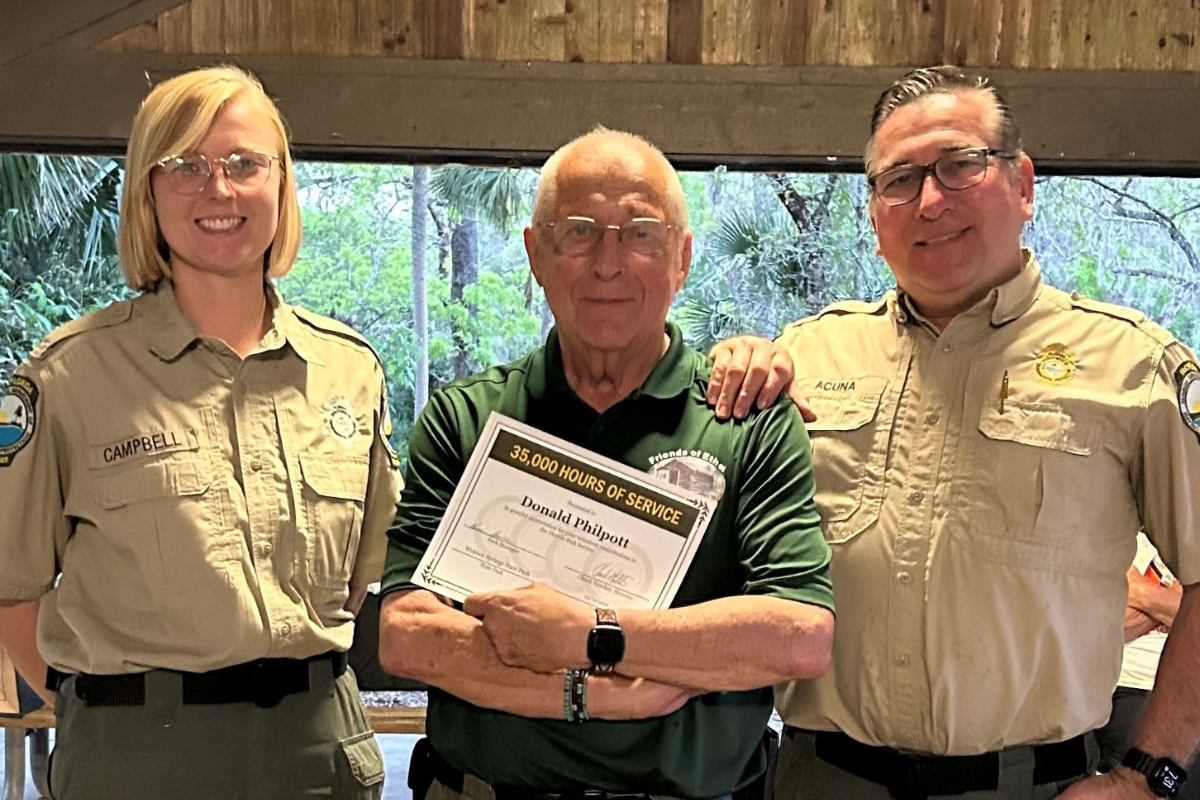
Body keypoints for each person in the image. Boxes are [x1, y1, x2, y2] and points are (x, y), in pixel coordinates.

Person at [709, 66, 1200, 800]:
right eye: (899, 179)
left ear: (1024, 183)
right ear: (875, 215)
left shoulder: (1133, 367)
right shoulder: (806, 358)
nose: (930, 200)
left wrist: (1148, 775)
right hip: (820, 779)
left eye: (960, 165)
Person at [377, 128, 836, 800]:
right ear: (536, 253)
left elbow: (797, 636)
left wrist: (595, 637)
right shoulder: (467, 418)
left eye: (641, 232)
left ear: (682, 258)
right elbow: (407, 636)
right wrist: (597, 692)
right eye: (580, 231)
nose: (609, 262)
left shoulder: (750, 420)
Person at [0, 66, 400, 800]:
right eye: (185, 165)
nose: (218, 189)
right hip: (136, 756)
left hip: (318, 746)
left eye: (245, 163)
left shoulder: (348, 369)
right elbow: (11, 588)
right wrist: (106, 712)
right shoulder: (69, 376)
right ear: (147, 191)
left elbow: (362, 576)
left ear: (281, 183)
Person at [1095, 534, 1198, 800]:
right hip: (1126, 687)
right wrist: (1182, 604)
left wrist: (1139, 592)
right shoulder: (1116, 532)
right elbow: (1102, 626)